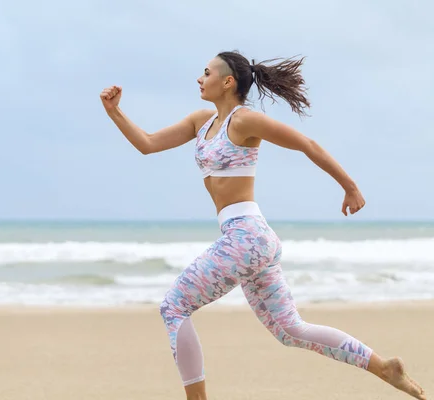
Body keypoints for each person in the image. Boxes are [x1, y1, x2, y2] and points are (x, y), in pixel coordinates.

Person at [99, 50, 426, 400]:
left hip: (246, 237)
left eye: (206, 72)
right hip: (250, 239)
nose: (199, 78)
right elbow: (147, 144)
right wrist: (115, 111)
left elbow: (306, 144)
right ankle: (384, 367)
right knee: (290, 330)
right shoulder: (201, 121)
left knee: (174, 306)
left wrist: (350, 187)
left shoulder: (243, 121)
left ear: (227, 82)